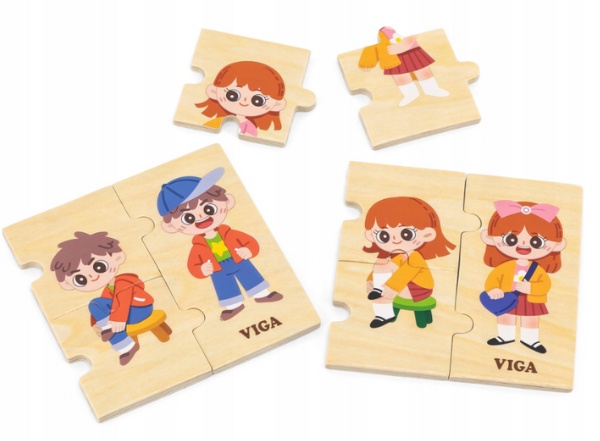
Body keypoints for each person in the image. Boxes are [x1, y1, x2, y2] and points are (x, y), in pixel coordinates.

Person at [158, 168, 283, 321]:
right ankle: (233, 306)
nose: (201, 216)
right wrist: (202, 269)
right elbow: (193, 264)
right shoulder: (198, 246)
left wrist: (248, 250)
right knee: (224, 286)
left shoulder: (230, 233)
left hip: (239, 259)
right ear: (171, 226)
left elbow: (250, 242)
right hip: (217, 268)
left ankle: (262, 294)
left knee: (251, 276)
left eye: (209, 208)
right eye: (188, 218)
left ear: (227, 202)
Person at [51, 232, 153, 365]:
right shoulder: (107, 291)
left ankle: (118, 337)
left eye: (99, 266)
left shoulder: (124, 281)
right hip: (124, 314)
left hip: (141, 308)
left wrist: (117, 319)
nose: (93, 277)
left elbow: (123, 299)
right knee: (95, 305)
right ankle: (126, 347)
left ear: (117, 257)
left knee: (98, 305)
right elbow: (105, 308)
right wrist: (95, 324)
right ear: (67, 284)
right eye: (80, 279)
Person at [481, 200, 566, 354]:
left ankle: (530, 340)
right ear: (489, 237)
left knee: (530, 319)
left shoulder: (537, 269)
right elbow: (493, 279)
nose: (524, 245)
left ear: (557, 245)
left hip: (530, 298)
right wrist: (493, 290)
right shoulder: (505, 266)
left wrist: (531, 288)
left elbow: (545, 284)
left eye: (537, 242)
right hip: (507, 295)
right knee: (505, 315)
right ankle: (505, 336)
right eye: (510, 239)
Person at [363, 197, 455, 328]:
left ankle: (384, 311)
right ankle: (382, 312)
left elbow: (407, 272)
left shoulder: (415, 257)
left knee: (385, 285)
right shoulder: (399, 257)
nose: (395, 240)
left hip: (418, 289)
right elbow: (388, 269)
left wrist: (392, 287)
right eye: (384, 235)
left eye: (406, 234)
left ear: (427, 234)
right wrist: (371, 280)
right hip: (400, 286)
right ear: (371, 235)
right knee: (381, 263)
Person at [359, 26, 449, 106]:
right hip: (391, 57)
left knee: (423, 71)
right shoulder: (381, 34)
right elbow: (371, 49)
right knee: (401, 77)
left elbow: (414, 34)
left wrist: (407, 43)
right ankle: (410, 94)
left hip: (411, 51)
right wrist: (367, 62)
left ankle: (432, 89)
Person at [195, 61, 286, 136]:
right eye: (232, 95)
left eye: (258, 100)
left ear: (277, 105)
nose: (244, 101)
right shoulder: (215, 122)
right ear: (213, 91)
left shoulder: (249, 128)